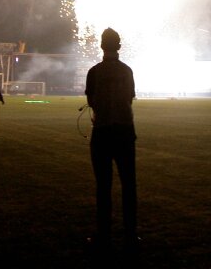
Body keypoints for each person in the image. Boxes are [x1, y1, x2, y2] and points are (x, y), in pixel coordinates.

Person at [84, 27, 138, 255]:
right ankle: (130, 233)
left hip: (103, 133)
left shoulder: (94, 72)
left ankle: (104, 234)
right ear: (119, 46)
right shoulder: (127, 71)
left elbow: (92, 100)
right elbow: (129, 98)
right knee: (129, 185)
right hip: (124, 132)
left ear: (101, 45)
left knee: (103, 186)